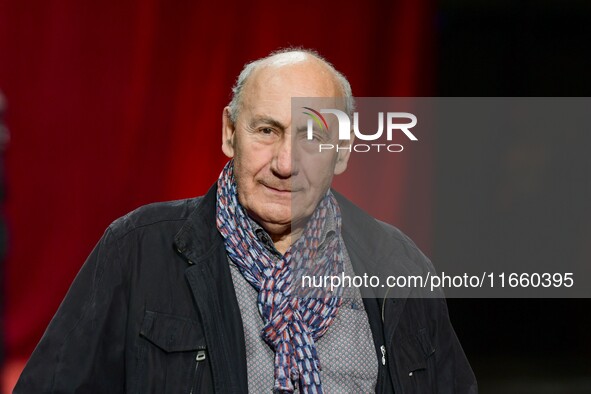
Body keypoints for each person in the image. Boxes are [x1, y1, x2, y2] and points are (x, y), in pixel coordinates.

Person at [14, 49, 477, 393]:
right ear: (229, 133)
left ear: (343, 153)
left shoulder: (398, 264)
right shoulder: (136, 250)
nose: (285, 162)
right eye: (266, 130)